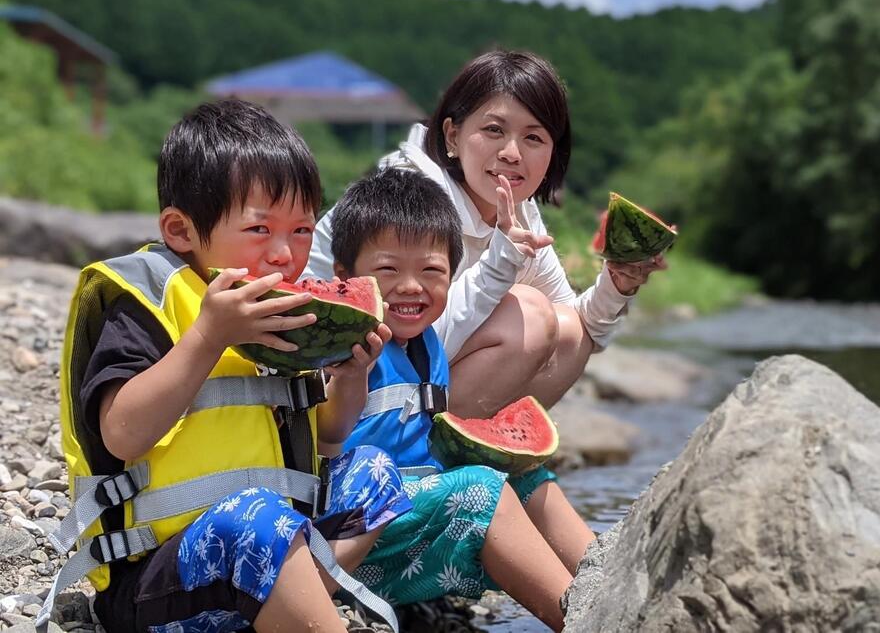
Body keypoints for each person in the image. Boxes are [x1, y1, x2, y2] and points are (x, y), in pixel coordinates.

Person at [40, 100, 412, 633]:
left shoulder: (287, 315)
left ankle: (292, 603)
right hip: (156, 581)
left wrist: (351, 375)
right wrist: (209, 336)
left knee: (373, 471)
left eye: (303, 231)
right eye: (261, 230)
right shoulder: (146, 300)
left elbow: (327, 437)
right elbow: (122, 435)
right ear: (181, 230)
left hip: (266, 549)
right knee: (257, 519)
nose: (285, 254)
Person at [308, 50, 668, 418]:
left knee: (569, 330)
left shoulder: (518, 211)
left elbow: (579, 328)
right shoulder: (410, 198)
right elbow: (405, 337)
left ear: (552, 153)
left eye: (534, 137)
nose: (512, 153)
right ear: (452, 135)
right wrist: (501, 262)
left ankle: (485, 446)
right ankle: (431, 453)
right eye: (494, 130)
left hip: (413, 377)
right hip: (344, 386)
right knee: (529, 314)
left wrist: (617, 284)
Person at [327, 168, 595, 632]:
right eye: (388, 270)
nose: (411, 286)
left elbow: (480, 292)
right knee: (482, 490)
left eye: (431, 271)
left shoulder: (429, 339)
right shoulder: (344, 343)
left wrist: (505, 252)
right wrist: (348, 375)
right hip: (355, 543)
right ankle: (589, 624)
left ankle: (609, 579)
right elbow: (324, 433)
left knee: (530, 477)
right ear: (345, 278)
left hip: (412, 520)